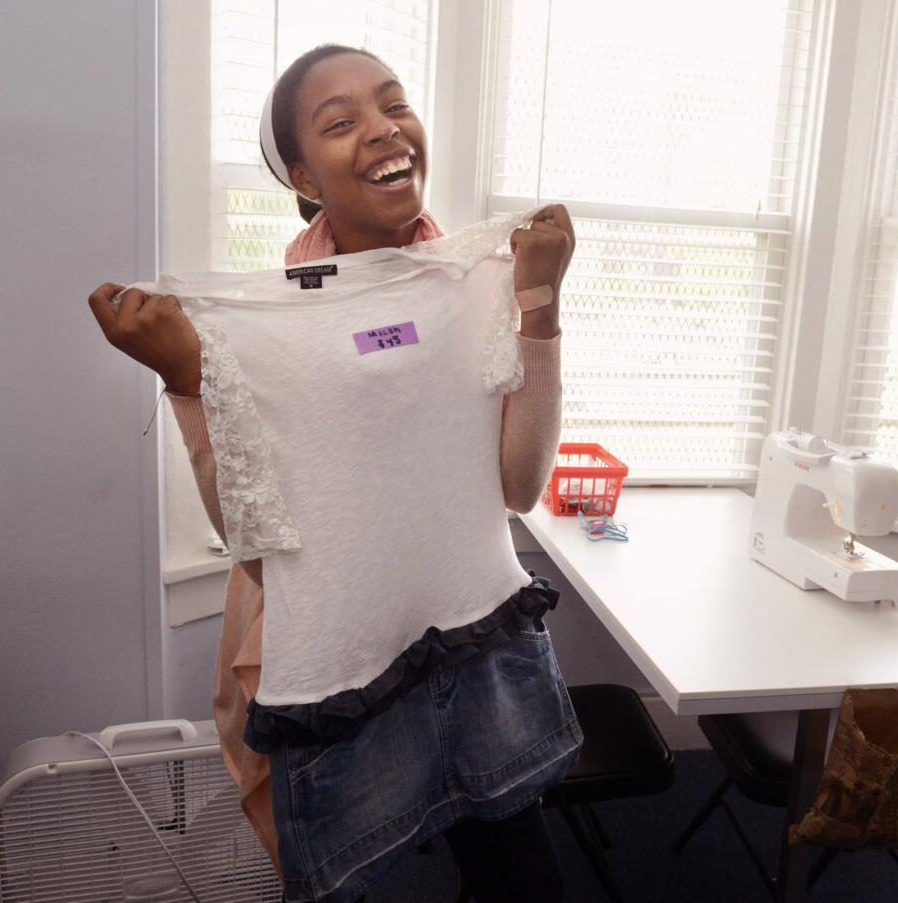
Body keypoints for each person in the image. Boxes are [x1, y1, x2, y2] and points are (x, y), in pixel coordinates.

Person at [88, 42, 579, 903]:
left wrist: (541, 303)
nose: (385, 130)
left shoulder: (478, 283)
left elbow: (516, 487)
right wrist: (187, 379)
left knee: (522, 874)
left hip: (465, 625)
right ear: (305, 180)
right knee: (347, 880)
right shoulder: (266, 325)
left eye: (393, 104)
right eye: (341, 122)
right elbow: (250, 538)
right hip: (342, 651)